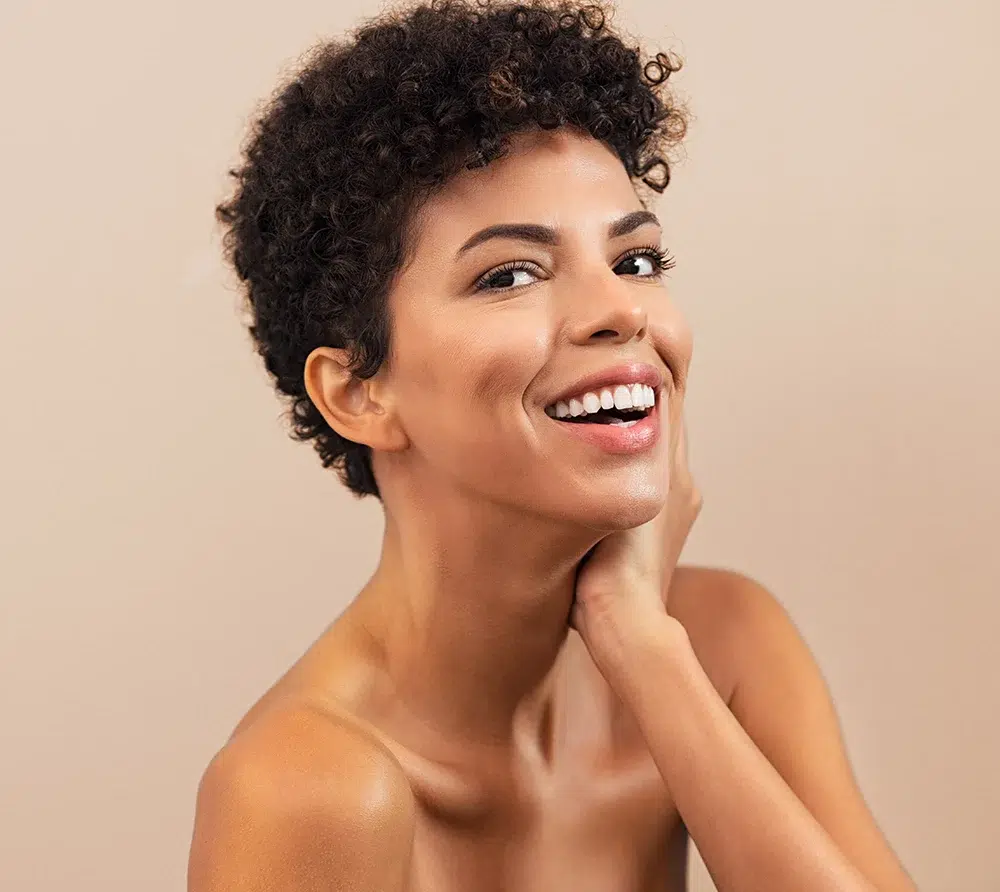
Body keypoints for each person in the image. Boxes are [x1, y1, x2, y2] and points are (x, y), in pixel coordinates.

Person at [188, 1, 916, 889]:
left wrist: (640, 643)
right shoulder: (309, 790)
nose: (620, 310)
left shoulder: (724, 646)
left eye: (635, 260)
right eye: (510, 274)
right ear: (359, 392)